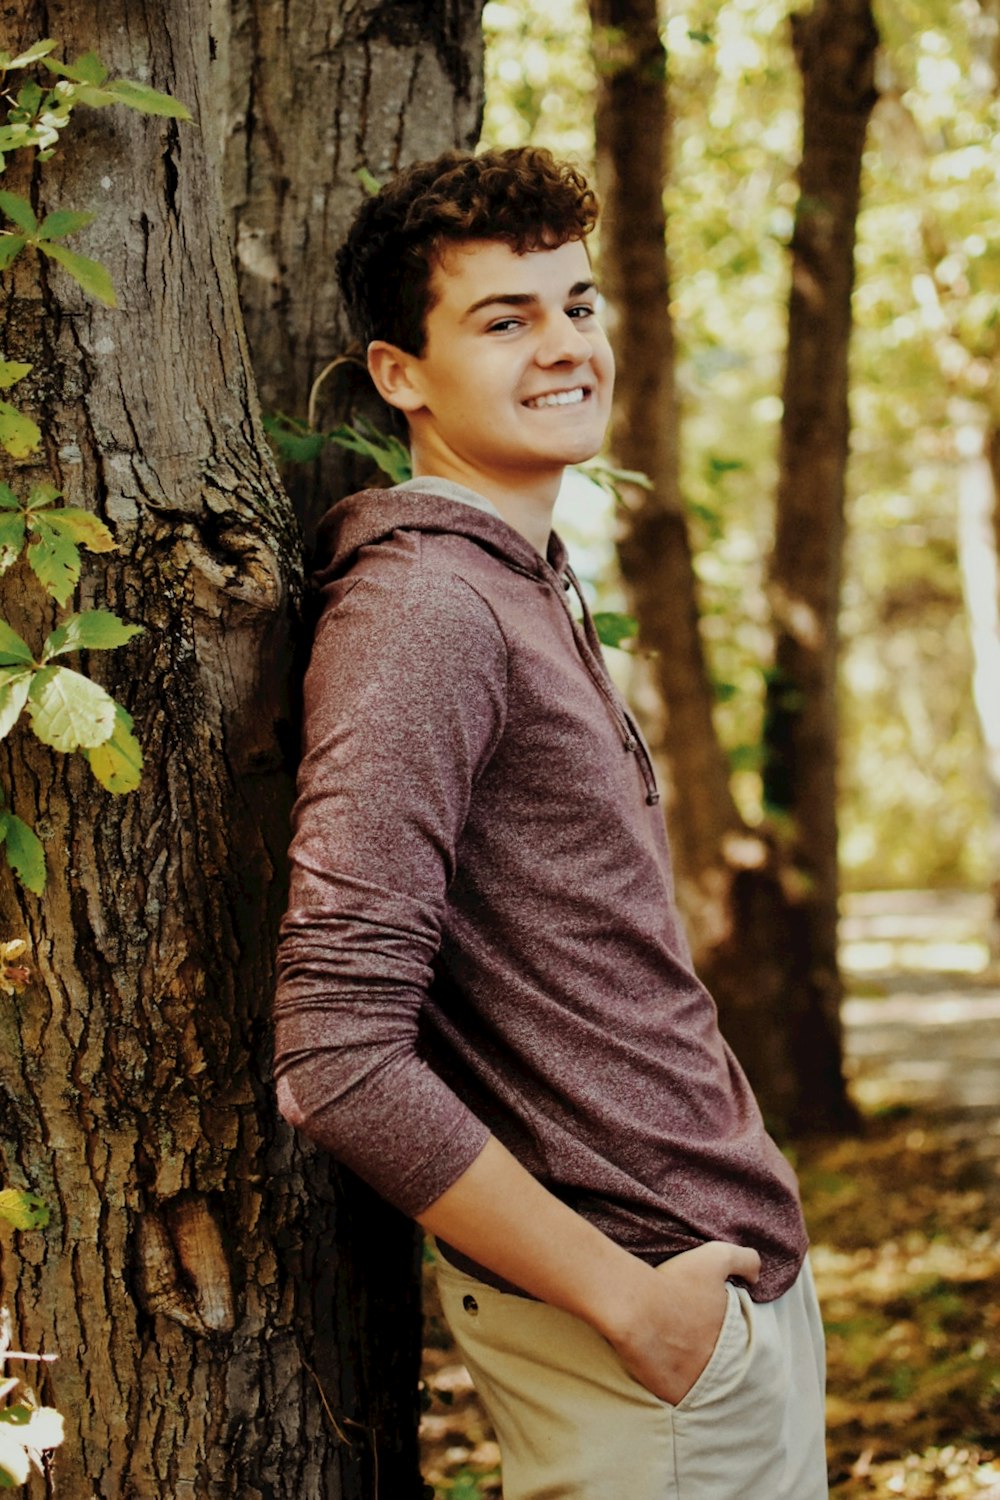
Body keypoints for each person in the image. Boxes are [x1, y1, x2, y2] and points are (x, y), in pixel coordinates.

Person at [273, 145, 827, 1500]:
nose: (566, 346)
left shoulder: (517, 583)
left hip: (708, 1329)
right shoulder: (425, 616)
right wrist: (633, 1308)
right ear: (401, 374)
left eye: (577, 305)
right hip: (641, 1354)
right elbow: (335, 1049)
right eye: (504, 320)